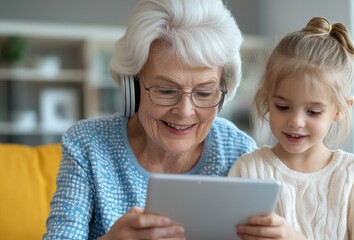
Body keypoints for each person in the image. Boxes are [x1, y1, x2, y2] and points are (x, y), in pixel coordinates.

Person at [43, 0, 257, 239]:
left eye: (204, 93)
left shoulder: (239, 151)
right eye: (166, 91)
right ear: (131, 88)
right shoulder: (87, 144)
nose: (185, 111)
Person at [228, 17, 354, 239]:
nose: (295, 121)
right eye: (282, 106)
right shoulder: (249, 170)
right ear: (266, 100)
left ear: (340, 109)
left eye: (313, 112)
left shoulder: (351, 174)